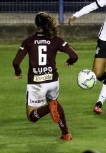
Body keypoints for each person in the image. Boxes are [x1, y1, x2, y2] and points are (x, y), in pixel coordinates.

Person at [12, 12, 78, 140]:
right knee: (54, 102)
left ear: (36, 25)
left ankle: (49, 108)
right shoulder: (56, 40)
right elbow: (74, 55)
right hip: (53, 80)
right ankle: (65, 134)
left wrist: (17, 72)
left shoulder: (29, 41)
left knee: (32, 116)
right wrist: (70, 62)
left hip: (36, 83)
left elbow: (15, 62)